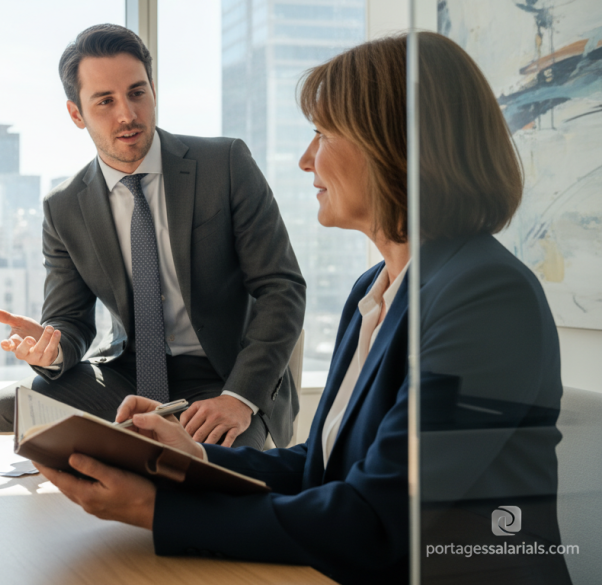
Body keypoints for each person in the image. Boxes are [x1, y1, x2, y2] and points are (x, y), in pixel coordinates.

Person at [34, 32, 571, 585]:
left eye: (323, 134)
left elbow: (375, 521)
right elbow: (321, 465)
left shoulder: (485, 297)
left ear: (394, 145)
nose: (305, 159)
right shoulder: (376, 291)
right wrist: (191, 458)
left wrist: (154, 510)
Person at [0, 24, 306, 450]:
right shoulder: (63, 207)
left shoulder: (224, 164)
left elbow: (282, 289)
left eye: (136, 93)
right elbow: (69, 321)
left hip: (221, 376)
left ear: (153, 91)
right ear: (77, 114)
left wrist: (239, 398)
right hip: (125, 375)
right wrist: (51, 349)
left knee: (217, 472)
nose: (127, 115)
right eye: (105, 101)